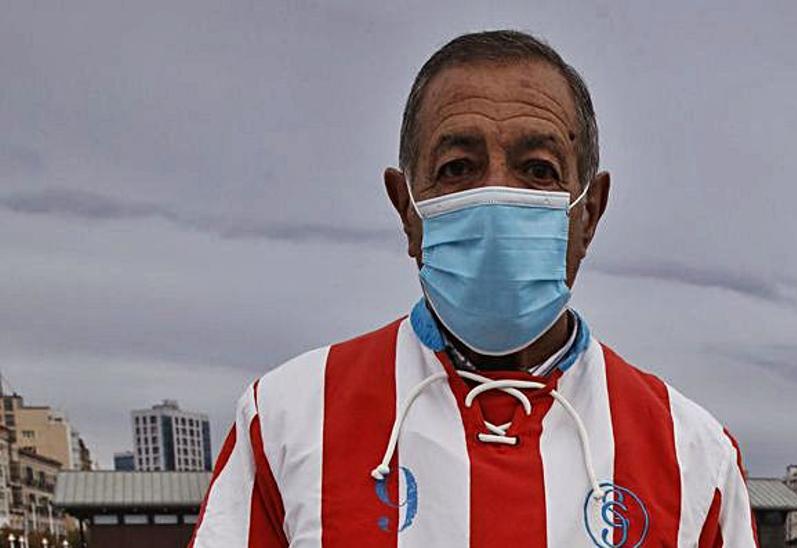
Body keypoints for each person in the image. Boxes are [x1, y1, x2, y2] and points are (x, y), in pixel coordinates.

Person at [189, 30, 757, 547]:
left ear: (589, 213)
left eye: (538, 170)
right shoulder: (284, 420)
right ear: (406, 207)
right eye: (458, 168)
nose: (496, 196)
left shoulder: (694, 457)